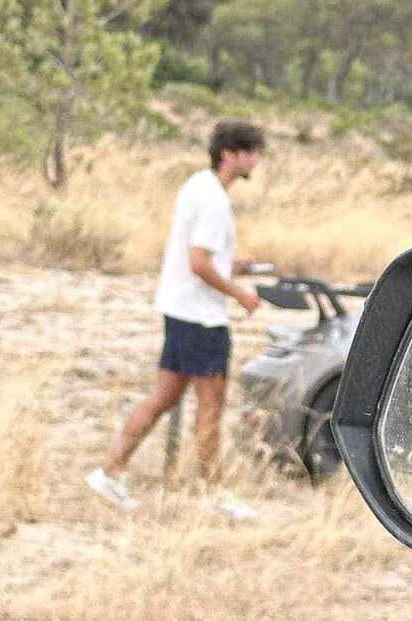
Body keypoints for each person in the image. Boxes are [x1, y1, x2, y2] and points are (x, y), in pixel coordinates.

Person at [87, 119, 266, 519]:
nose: (255, 159)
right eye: (249, 152)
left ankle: (109, 471)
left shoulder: (196, 186)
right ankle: (214, 492)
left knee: (164, 398)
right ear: (230, 155)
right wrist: (239, 293)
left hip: (178, 310)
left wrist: (232, 264)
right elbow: (198, 262)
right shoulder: (216, 201)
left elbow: (200, 255)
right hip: (202, 319)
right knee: (211, 406)